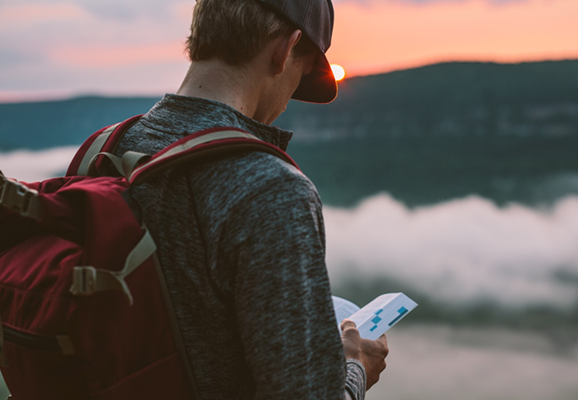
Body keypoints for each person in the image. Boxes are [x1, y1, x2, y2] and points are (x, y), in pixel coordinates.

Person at [112, 0, 389, 398]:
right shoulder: (270, 187)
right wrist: (356, 368)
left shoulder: (108, 148)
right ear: (285, 48)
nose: (287, 99)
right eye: (300, 75)